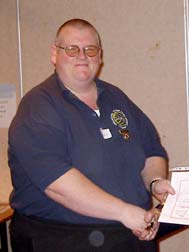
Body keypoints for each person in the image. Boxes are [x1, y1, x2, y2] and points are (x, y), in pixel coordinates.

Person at [8, 18, 174, 252]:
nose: (82, 56)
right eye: (72, 49)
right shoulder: (37, 108)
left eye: (90, 49)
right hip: (62, 240)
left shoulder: (116, 97)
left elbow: (151, 149)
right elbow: (57, 183)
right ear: (54, 54)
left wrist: (154, 182)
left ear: (100, 56)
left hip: (130, 235)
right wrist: (123, 212)